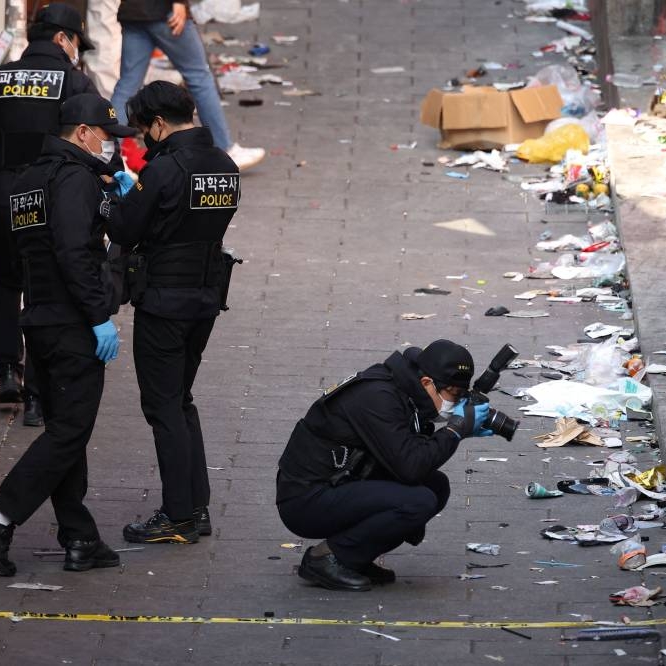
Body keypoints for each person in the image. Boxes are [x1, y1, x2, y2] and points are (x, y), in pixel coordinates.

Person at [0, 93, 137, 576]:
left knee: (65, 431)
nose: (109, 145)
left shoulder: (28, 180)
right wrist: (97, 315)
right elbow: (73, 251)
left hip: (38, 317)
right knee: (70, 430)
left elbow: (31, 249)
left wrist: (116, 200)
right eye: (105, 136)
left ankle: (80, 538)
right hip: (70, 322)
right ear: (82, 132)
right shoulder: (74, 178)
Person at [0, 3, 102, 427]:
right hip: (48, 200)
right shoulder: (75, 83)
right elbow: (93, 144)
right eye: (76, 42)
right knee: (42, 290)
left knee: (4, 282)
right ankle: (35, 394)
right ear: (61, 39)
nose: (77, 51)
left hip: (0, 199)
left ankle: (6, 371)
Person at [107, 81, 240, 544]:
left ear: (159, 124)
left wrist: (118, 197)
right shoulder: (224, 165)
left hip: (164, 300)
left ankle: (178, 515)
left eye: (144, 129)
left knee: (162, 405)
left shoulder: (165, 169)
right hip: (205, 297)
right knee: (181, 400)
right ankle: (196, 507)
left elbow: (125, 227)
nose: (144, 138)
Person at [276, 340, 499, 591]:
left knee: (435, 485)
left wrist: (457, 432)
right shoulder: (378, 397)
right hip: (305, 500)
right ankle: (328, 559)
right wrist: (454, 430)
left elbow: (412, 454)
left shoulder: (404, 390)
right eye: (454, 395)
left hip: (340, 482)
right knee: (418, 502)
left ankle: (355, 558)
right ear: (427, 383)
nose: (456, 404)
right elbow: (411, 467)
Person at [109, 0, 266, 170]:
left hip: (133, 11)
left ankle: (107, 153)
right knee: (199, 77)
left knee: (127, 84)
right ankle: (224, 148)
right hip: (165, 10)